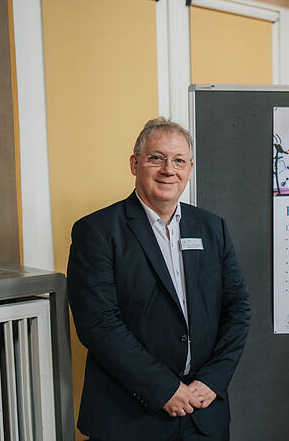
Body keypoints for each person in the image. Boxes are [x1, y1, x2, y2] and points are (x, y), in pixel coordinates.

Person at [67, 117, 251, 440]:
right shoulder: (96, 232)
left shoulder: (213, 228)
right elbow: (99, 325)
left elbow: (238, 310)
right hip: (130, 418)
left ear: (189, 169)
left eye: (179, 160)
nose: (169, 169)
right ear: (134, 164)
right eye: (157, 158)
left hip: (203, 413)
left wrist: (213, 380)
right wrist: (164, 389)